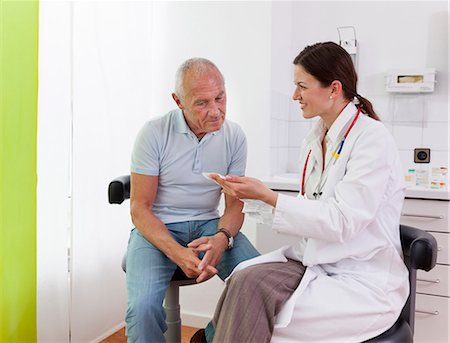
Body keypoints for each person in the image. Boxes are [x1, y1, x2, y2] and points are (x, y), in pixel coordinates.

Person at [205, 42, 409, 342]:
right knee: (242, 280)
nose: (294, 95)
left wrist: (268, 196)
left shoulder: (371, 139)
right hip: (317, 260)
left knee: (251, 310)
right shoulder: (315, 139)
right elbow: (310, 209)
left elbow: (341, 221)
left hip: (362, 278)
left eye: (301, 86)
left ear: (333, 88)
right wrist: (250, 197)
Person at [126, 57, 259, 342]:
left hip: (209, 225)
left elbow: (234, 207)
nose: (215, 111)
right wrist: (177, 252)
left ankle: (208, 338)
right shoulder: (153, 133)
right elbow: (139, 209)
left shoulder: (234, 136)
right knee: (142, 308)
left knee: (260, 282)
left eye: (220, 98)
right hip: (156, 228)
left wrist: (222, 238)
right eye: (202, 103)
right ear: (178, 101)